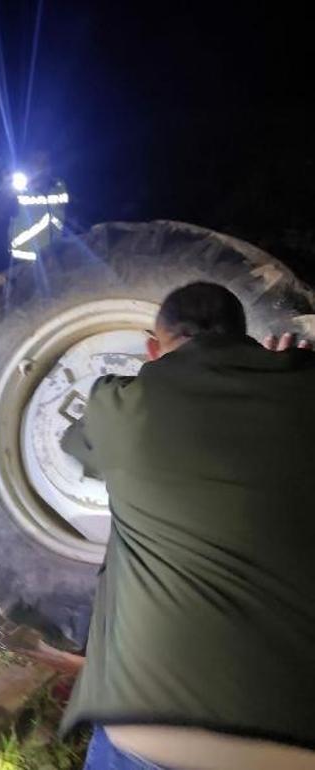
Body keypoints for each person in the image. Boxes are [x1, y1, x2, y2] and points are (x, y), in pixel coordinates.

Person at [60, 282, 315, 769]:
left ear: (153, 349)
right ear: (245, 336)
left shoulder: (118, 405)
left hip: (148, 732)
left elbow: (76, 446)